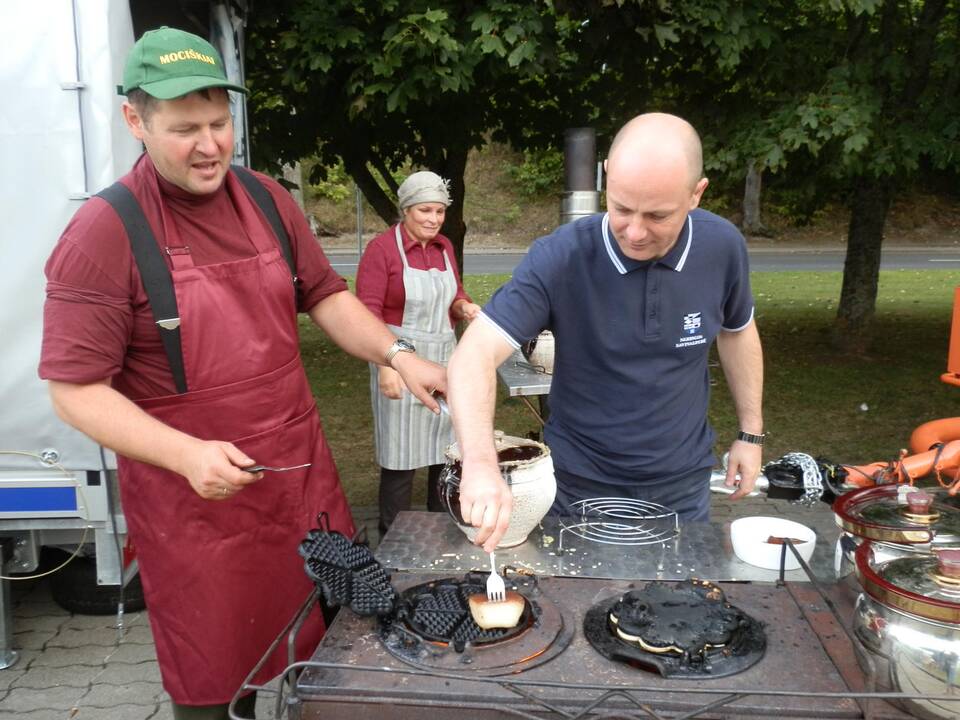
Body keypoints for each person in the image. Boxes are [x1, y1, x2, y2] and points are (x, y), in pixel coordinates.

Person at [38, 27, 444, 719]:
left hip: (299, 483)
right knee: (217, 692)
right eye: (184, 128)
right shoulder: (102, 235)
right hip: (197, 508)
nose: (209, 145)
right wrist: (186, 453)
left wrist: (397, 354)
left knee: (332, 660)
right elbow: (74, 391)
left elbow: (324, 295)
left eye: (220, 124)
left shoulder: (266, 199)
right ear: (134, 121)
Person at [447, 113, 764, 552]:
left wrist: (751, 431)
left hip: (682, 488)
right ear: (606, 177)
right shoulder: (560, 257)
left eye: (657, 215)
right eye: (621, 208)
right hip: (578, 488)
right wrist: (480, 464)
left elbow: (737, 330)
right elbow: (474, 355)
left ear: (696, 194)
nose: (635, 232)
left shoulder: (722, 247)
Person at [356, 172, 481, 535]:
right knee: (400, 457)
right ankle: (393, 538)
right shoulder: (381, 250)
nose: (433, 219)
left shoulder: (443, 248)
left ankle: (440, 529)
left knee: (444, 451)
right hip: (397, 358)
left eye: (440, 211)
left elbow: (454, 294)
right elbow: (367, 312)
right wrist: (385, 366)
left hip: (443, 358)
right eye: (425, 210)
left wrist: (463, 307)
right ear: (406, 209)